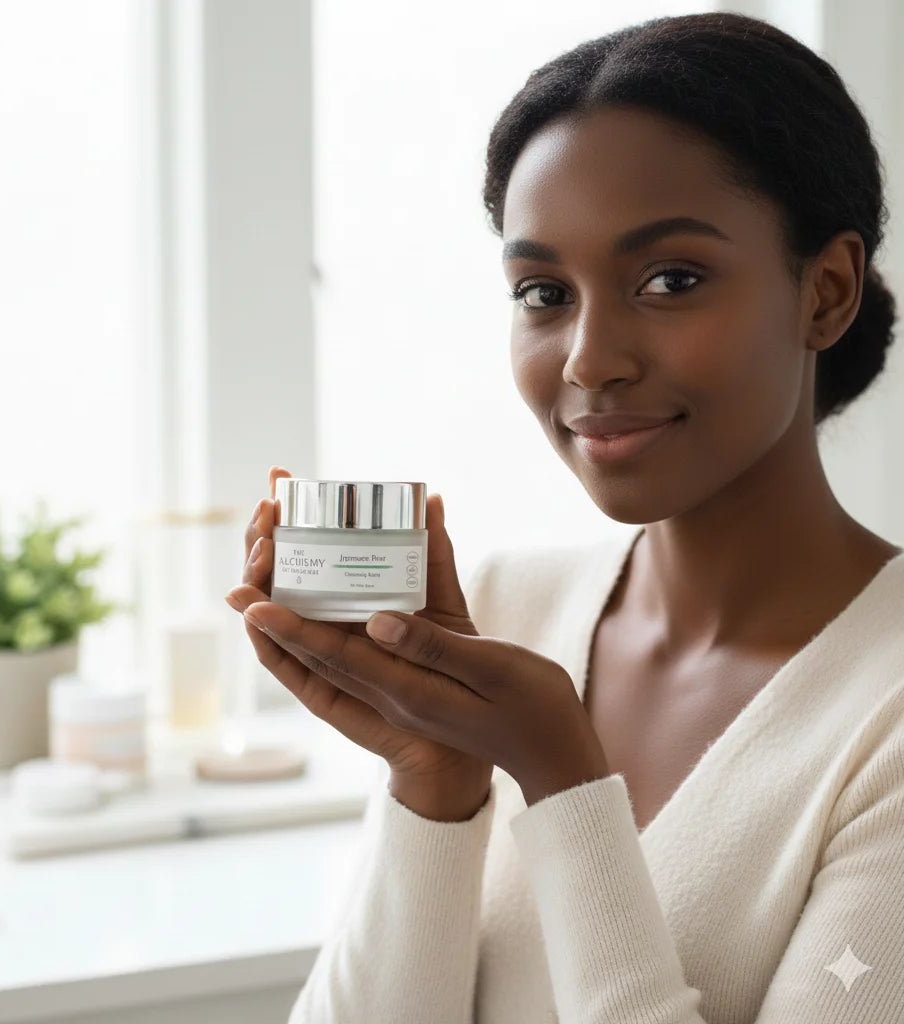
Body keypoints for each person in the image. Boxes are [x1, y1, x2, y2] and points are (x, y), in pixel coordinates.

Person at [226, 11, 904, 1023]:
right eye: (542, 291)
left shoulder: (882, 710)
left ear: (826, 290)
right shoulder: (499, 611)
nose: (589, 360)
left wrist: (560, 775)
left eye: (669, 279)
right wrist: (436, 785)